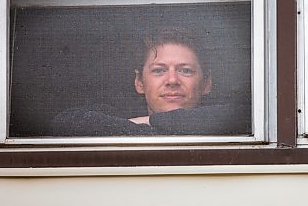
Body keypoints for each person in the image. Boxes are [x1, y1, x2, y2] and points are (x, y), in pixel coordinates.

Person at [49, 28, 250, 136]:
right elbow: (64, 123)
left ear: (207, 84)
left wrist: (151, 122)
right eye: (159, 70)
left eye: (185, 70)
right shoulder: (118, 118)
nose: (172, 80)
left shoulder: (228, 124)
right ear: (139, 83)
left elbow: (247, 116)